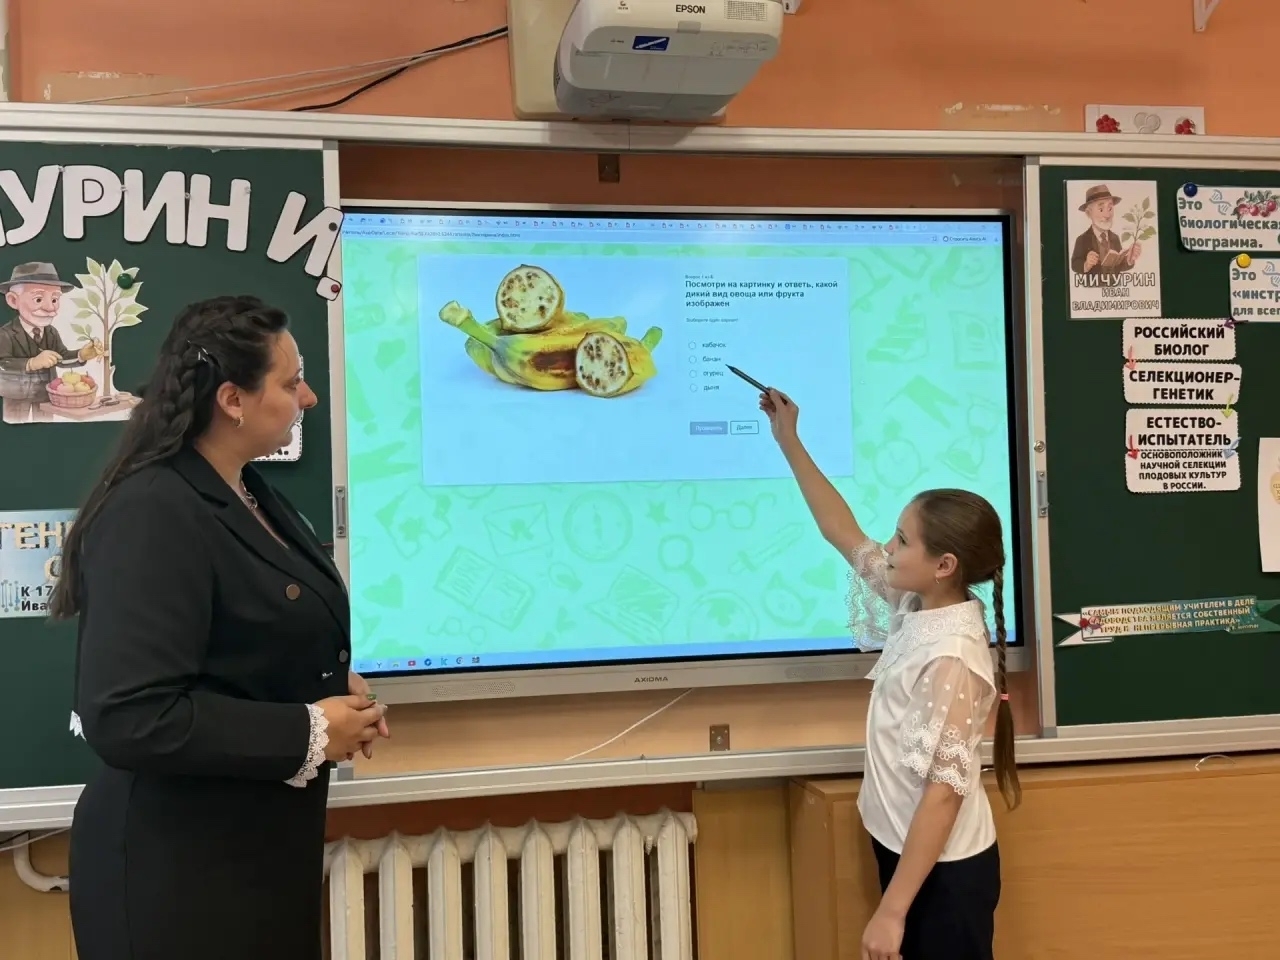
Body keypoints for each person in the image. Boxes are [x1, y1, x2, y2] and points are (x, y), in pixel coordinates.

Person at [49, 295, 390, 960]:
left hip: (252, 853)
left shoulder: (250, 492)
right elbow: (129, 714)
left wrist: (325, 683)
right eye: (291, 383)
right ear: (232, 399)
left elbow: (241, 640)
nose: (309, 398)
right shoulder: (154, 509)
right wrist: (310, 730)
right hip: (175, 873)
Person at [760, 388, 1020, 960]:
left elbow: (943, 797)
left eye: (902, 540)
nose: (887, 546)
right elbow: (842, 531)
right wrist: (789, 440)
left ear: (944, 565)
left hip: (943, 876)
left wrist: (892, 911)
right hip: (911, 855)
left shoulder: (951, 655)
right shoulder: (918, 603)